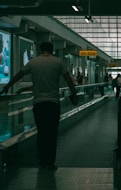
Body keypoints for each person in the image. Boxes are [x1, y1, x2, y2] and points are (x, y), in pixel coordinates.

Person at [0, 42, 77, 170]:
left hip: (39, 103)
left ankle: (42, 161)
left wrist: (7, 87)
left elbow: (19, 74)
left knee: (42, 133)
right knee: (51, 134)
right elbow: (68, 79)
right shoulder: (58, 62)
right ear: (52, 50)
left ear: (40, 49)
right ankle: (50, 163)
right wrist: (74, 94)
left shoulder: (33, 62)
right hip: (53, 103)